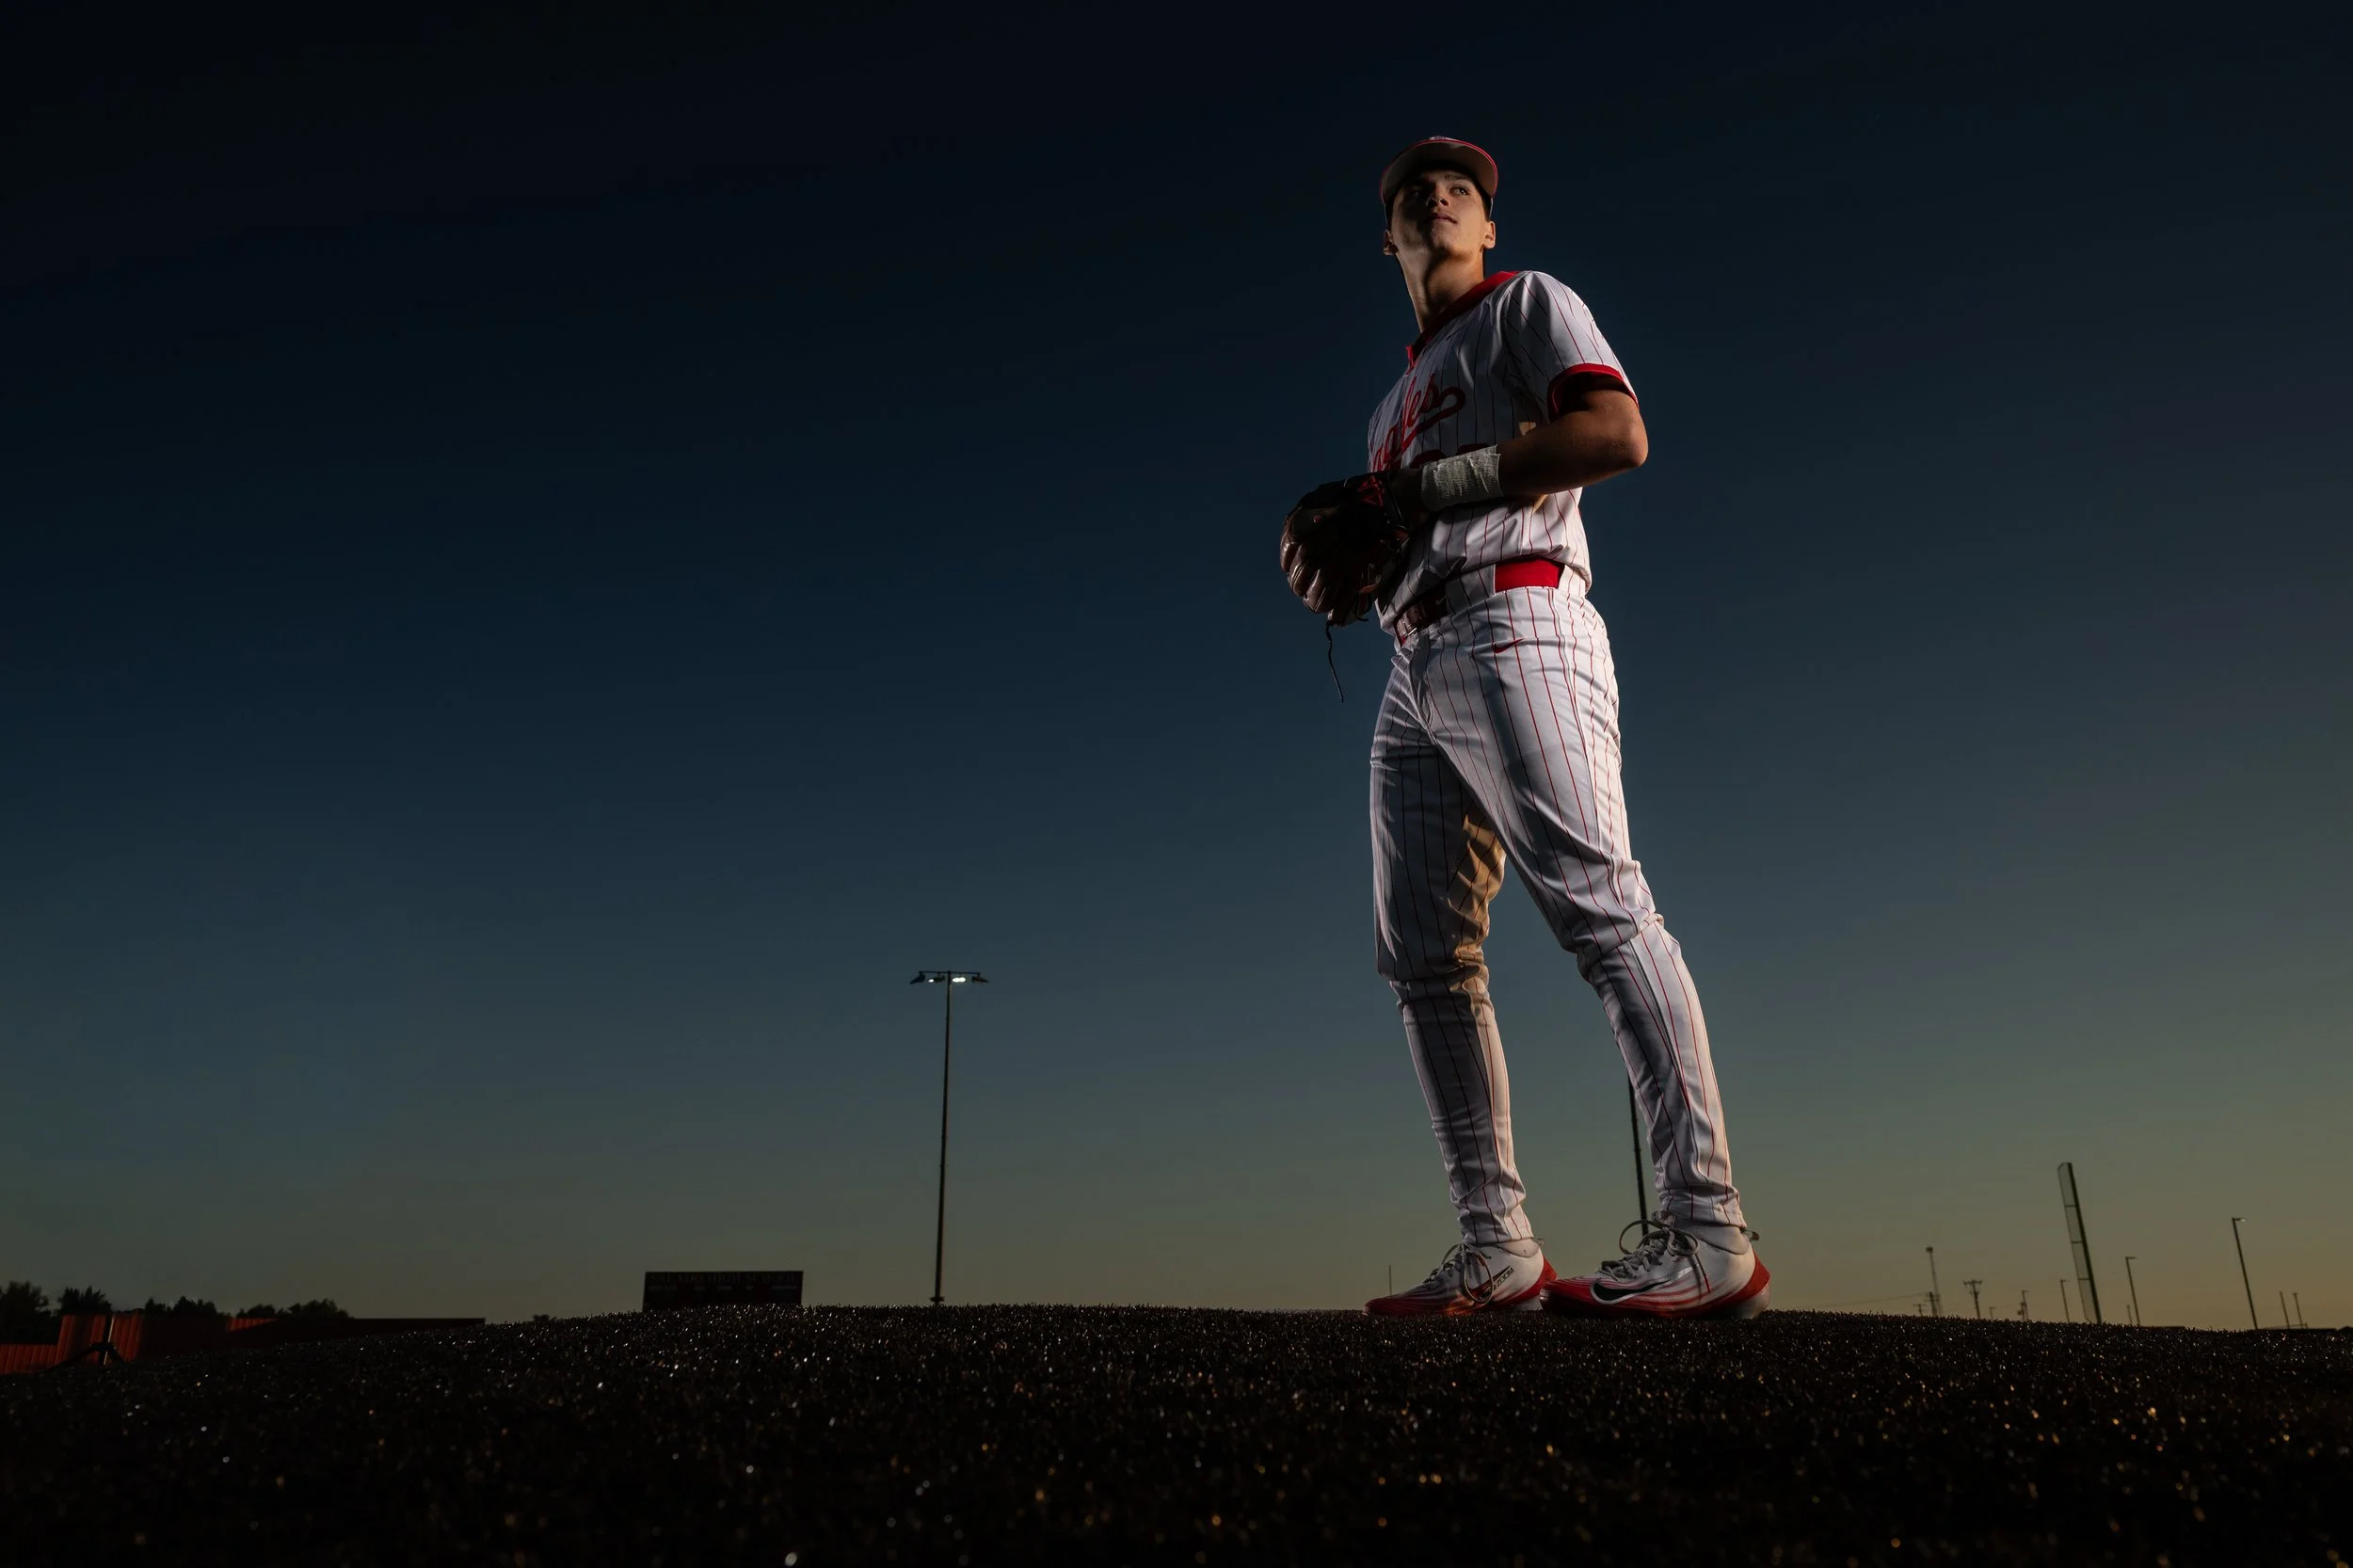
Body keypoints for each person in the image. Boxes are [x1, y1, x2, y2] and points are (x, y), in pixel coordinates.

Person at [1322, 137, 1769, 1319]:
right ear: (1390, 238)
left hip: (1521, 619)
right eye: (1414, 191)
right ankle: (1498, 1244)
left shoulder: (1527, 304)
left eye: (1459, 188)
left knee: (1601, 904)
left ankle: (1709, 1227)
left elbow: (1615, 435)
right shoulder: (1387, 406)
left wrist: (1424, 490)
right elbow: (1395, 529)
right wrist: (1346, 567)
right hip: (1413, 657)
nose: (1437, 195)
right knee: (1422, 956)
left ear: (1486, 228)